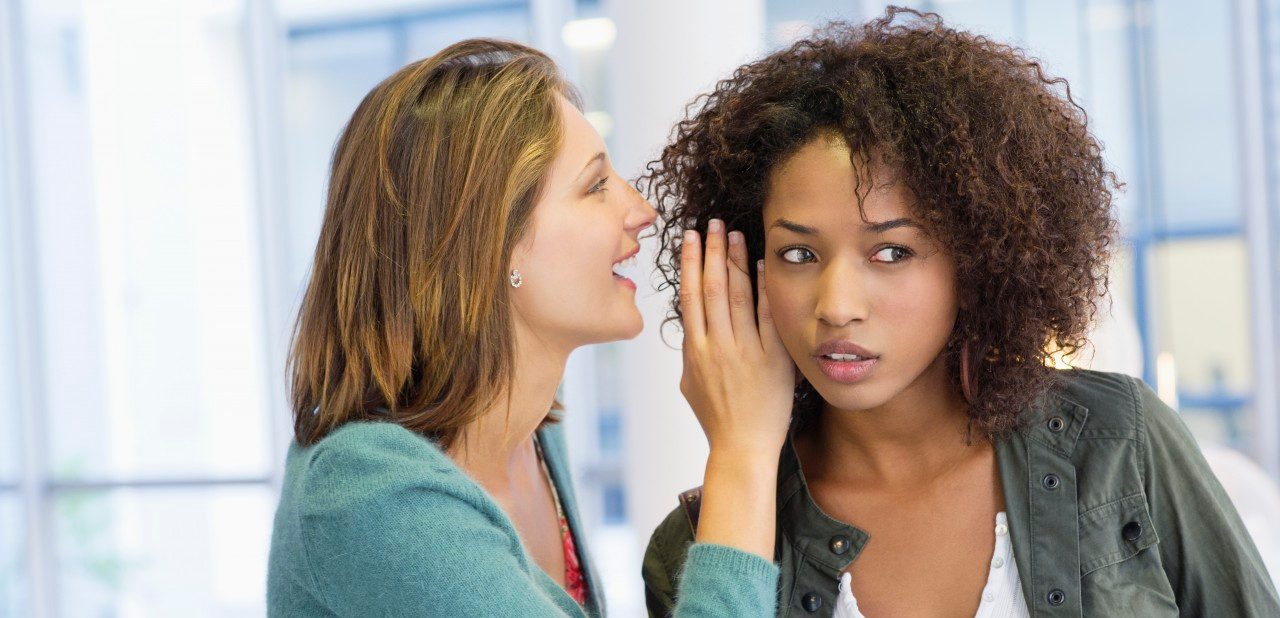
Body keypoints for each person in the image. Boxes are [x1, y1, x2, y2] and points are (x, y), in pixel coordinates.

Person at [641, 8, 1280, 616]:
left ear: (980, 256)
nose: (836, 306)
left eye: (892, 251)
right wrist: (742, 456)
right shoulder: (700, 549)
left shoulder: (1119, 444)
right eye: (798, 252)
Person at [267, 39, 786, 617]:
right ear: (491, 245)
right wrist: (743, 450)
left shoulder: (532, 423)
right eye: (595, 186)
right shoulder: (373, 496)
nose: (642, 209)